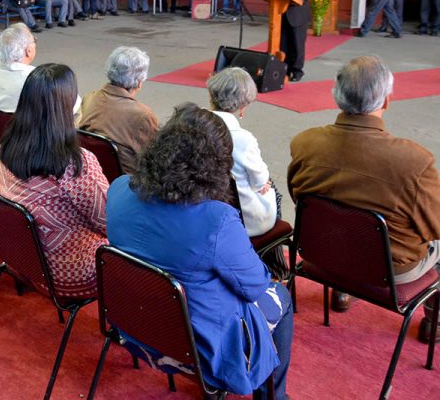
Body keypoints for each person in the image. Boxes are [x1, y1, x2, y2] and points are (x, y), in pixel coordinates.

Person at [107, 104, 293, 399]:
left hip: (136, 326)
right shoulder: (215, 220)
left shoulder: (117, 189)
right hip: (201, 350)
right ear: (216, 165)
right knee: (280, 295)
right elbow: (256, 285)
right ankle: (274, 396)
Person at [288, 56, 440, 337]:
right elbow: (435, 227)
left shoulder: (304, 144)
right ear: (386, 101)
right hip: (389, 273)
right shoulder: (414, 162)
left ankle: (343, 291)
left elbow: (300, 200)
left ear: (338, 97)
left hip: (320, 257)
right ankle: (434, 324)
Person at [0, 64, 108, 298]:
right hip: (70, 272)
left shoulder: (7, 145)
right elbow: (110, 222)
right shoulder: (77, 164)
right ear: (66, 105)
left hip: (23, 258)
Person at [206, 68, 277, 236]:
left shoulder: (192, 125)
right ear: (243, 105)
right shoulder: (243, 139)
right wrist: (264, 184)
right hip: (238, 217)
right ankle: (271, 258)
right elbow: (260, 182)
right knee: (272, 190)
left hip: (202, 205)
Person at [79, 46, 157, 172]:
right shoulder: (142, 115)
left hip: (92, 172)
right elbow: (154, 156)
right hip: (127, 182)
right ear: (139, 82)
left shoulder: (89, 99)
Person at [267, 0, 314, 82]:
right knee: (282, 44)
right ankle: (283, 68)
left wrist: (296, 0)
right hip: (279, 15)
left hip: (297, 13)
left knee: (297, 44)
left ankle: (297, 70)